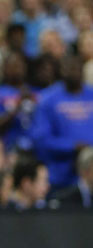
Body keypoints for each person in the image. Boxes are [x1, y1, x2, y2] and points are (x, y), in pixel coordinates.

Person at [30, 54, 93, 189]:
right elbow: (41, 139)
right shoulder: (47, 99)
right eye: (68, 68)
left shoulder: (91, 94)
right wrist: (72, 146)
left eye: (76, 67)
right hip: (60, 175)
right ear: (60, 70)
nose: (73, 71)